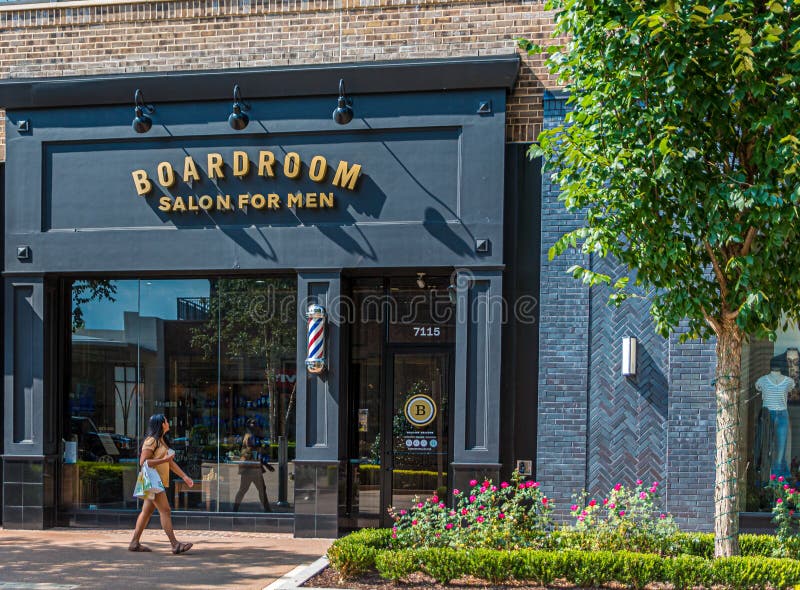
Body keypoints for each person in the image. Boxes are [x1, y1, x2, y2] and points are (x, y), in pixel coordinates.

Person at [129, 413, 195, 554]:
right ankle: (175, 544)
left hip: (157, 481)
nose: (168, 423)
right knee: (165, 510)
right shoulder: (151, 441)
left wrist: (184, 476)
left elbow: (170, 463)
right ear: (161, 424)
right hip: (153, 481)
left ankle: (134, 542)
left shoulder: (162, 440)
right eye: (166, 421)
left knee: (146, 512)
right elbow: (143, 462)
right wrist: (164, 460)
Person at [756, 366, 795, 480]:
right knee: (766, 446)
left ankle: (776, 479)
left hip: (782, 415)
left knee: (781, 446)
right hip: (767, 415)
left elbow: (791, 388)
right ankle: (768, 476)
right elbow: (757, 387)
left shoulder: (789, 381)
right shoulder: (762, 380)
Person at [233, 419, 274, 513]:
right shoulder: (250, 437)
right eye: (254, 425)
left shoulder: (249, 436)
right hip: (251, 468)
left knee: (258, 489)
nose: (256, 427)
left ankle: (267, 510)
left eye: (256, 424)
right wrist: (267, 465)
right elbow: (254, 453)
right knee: (247, 490)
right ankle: (235, 510)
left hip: (252, 468)